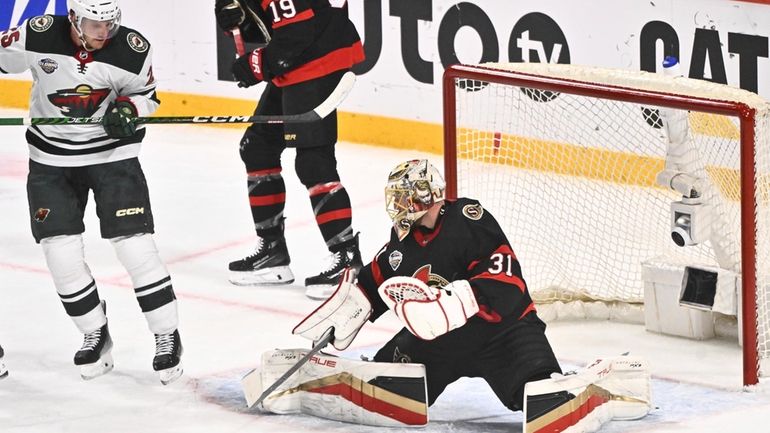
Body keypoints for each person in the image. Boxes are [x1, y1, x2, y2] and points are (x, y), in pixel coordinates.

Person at [0, 0, 183, 384]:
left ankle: (167, 334)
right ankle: (94, 333)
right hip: (49, 158)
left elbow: (147, 95)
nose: (104, 32)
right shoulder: (38, 32)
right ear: (73, 19)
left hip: (113, 156)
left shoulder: (133, 47)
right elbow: (4, 60)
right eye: (94, 24)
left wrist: (130, 109)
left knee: (135, 247)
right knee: (60, 254)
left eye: (109, 23)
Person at [294, 159, 563, 412]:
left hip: (503, 332)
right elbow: (375, 278)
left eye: (402, 196)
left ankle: (557, 386)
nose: (396, 203)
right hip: (439, 341)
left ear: (424, 195)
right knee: (380, 387)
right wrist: (347, 310)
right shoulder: (403, 240)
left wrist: (457, 302)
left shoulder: (468, 220)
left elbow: (506, 280)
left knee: (542, 398)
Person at [214, 0, 366, 299]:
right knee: (257, 148)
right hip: (298, 62)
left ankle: (347, 260)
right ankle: (272, 252)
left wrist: (255, 64)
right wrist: (235, 17)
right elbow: (270, 24)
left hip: (318, 59)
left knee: (313, 161)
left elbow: (297, 31)